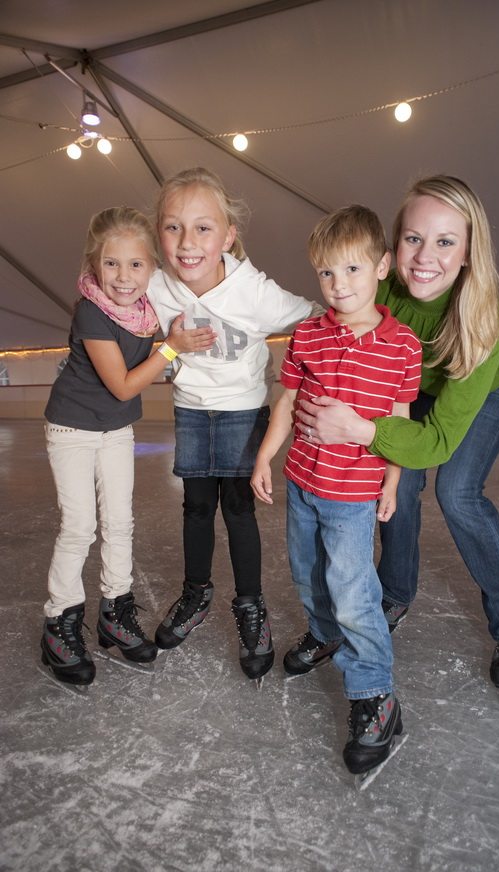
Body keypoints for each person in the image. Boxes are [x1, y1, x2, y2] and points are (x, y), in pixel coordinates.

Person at [296, 175, 499, 695]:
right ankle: (394, 592)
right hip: (411, 394)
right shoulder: (382, 286)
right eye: (413, 238)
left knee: (456, 493)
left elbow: (436, 442)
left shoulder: (483, 316)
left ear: (470, 251)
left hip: (479, 397)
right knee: (399, 486)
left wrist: (363, 428)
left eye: (445, 241)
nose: (425, 256)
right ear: (391, 249)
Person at [251, 205, 422, 775]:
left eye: (351, 269)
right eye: (326, 273)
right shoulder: (307, 335)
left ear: (381, 267)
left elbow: (398, 421)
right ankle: (322, 635)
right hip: (303, 481)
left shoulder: (403, 346)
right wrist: (266, 456)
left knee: (353, 591)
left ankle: (375, 695)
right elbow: (287, 401)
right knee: (306, 573)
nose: (338, 285)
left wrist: (393, 482)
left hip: (353, 494)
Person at [147, 166, 323, 685]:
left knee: (238, 510)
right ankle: (196, 594)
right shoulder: (157, 287)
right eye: (173, 226)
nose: (187, 242)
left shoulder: (254, 291)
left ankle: (251, 606)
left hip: (244, 412)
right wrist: (167, 350)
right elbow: (113, 290)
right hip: (190, 410)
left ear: (228, 236)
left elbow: (314, 315)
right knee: (197, 507)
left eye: (203, 228)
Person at [42, 206, 203, 688]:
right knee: (79, 528)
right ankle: (59, 624)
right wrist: (172, 348)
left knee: (119, 523)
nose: (123, 276)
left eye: (136, 264)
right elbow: (125, 386)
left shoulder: (148, 306)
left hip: (115, 432)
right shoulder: (91, 310)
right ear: (94, 264)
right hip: (72, 429)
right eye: (111, 263)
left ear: (151, 267)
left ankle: (115, 613)